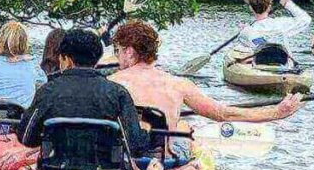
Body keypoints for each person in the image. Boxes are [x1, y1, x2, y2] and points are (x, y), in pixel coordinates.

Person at [110, 21, 302, 157]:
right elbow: (224, 114)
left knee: (180, 126)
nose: (117, 57)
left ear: (129, 51)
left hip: (123, 158)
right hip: (161, 157)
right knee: (184, 127)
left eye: (117, 51)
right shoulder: (179, 84)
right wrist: (277, 112)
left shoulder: (111, 82)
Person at [16, 29, 148, 170]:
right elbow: (135, 145)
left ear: (67, 59)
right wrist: (147, 133)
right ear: (97, 59)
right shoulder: (118, 93)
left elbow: (26, 138)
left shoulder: (47, 91)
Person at [239, 0, 311, 53]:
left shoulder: (248, 31)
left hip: (261, 61)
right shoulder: (281, 23)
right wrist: (288, 4)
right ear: (269, 7)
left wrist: (244, 30)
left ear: (251, 8)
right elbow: (306, 19)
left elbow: (248, 42)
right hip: (284, 61)